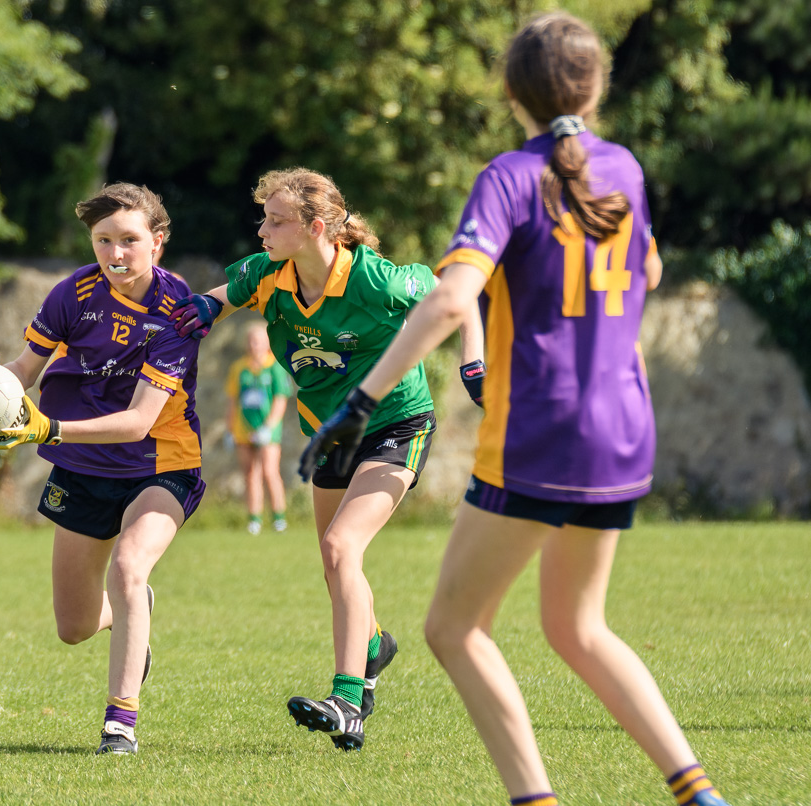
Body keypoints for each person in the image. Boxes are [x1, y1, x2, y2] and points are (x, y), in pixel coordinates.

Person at [300, 12, 732, 806]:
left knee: (452, 629)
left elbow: (446, 298)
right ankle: (700, 794)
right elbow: (651, 272)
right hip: (623, 428)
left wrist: (359, 402)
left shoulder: (509, 175)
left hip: (541, 427)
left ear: (509, 92)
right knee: (577, 628)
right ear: (597, 86)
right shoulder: (623, 168)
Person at [170, 167, 483, 751]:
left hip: (397, 424)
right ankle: (374, 645)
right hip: (329, 438)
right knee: (334, 566)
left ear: (317, 228)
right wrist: (202, 313)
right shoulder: (268, 272)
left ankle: (348, 699)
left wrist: (473, 363)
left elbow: (459, 293)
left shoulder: (379, 281)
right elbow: (221, 296)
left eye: (275, 220)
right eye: (263, 217)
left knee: (342, 549)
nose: (261, 229)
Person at [0, 182, 204, 756]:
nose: (116, 254)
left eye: (129, 240)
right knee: (73, 627)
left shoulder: (178, 310)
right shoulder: (73, 293)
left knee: (128, 567)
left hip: (161, 463)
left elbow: (140, 420)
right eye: (104, 241)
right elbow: (25, 365)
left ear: (158, 243)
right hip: (83, 466)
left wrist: (47, 428)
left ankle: (119, 725)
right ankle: (134, 613)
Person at [225, 323, 292, 535]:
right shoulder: (238, 368)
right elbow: (232, 400)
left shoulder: (275, 367)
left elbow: (280, 400)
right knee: (250, 474)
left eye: (260, 341)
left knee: (270, 472)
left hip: (268, 430)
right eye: (252, 341)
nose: (256, 345)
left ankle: (279, 518)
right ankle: (254, 519)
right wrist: (229, 429)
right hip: (243, 429)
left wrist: (268, 427)